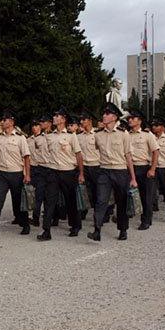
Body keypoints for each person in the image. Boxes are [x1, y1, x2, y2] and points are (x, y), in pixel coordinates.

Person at [88, 102, 137, 241]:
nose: (104, 116)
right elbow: (98, 149)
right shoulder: (98, 135)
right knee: (101, 200)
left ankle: (123, 229)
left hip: (120, 171)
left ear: (114, 117)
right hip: (104, 171)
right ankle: (97, 230)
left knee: (121, 201)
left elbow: (128, 156)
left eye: (107, 114)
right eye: (104, 113)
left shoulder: (123, 134)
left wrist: (133, 178)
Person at [38, 110, 84, 240]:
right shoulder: (49, 136)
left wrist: (81, 173)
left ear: (63, 120)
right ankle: (46, 230)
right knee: (49, 201)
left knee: (70, 201)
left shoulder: (71, 136)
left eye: (57, 116)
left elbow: (78, 155)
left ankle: (75, 225)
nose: (54, 118)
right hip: (53, 171)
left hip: (68, 171)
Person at [0, 110, 31, 238]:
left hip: (16, 173)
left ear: (11, 122)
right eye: (1, 120)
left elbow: (26, 157)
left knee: (18, 201)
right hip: (2, 173)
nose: (2, 122)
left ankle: (25, 223)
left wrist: (27, 175)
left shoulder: (20, 138)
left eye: (4, 120)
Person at [127, 110, 158, 230]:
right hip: (129, 167)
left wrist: (152, 169)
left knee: (146, 196)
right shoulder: (126, 135)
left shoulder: (147, 135)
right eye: (129, 118)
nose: (130, 120)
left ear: (139, 121)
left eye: (133, 118)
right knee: (127, 193)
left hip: (143, 167)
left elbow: (155, 151)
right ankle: (126, 215)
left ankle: (146, 219)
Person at [77, 111, 101, 218]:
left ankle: (98, 214)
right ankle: (83, 211)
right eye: (81, 120)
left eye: (84, 119)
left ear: (90, 120)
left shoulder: (98, 134)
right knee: (83, 190)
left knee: (96, 191)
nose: (81, 122)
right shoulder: (79, 136)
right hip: (83, 166)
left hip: (96, 166)